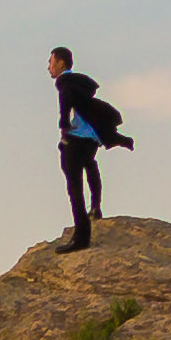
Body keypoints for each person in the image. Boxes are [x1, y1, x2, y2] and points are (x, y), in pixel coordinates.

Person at [47, 47, 129, 249]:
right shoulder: (79, 83)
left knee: (74, 187)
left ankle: (81, 237)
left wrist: (64, 123)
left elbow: (65, 100)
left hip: (77, 139)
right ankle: (95, 207)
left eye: (51, 62)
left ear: (60, 63)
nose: (49, 67)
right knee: (90, 165)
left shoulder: (65, 83)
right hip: (91, 138)